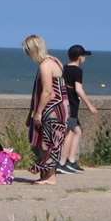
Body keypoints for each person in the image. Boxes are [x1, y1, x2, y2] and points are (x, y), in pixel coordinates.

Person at [23, 35, 68, 185]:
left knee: (45, 143)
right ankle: (47, 175)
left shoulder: (45, 66)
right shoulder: (56, 61)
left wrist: (38, 112)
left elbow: (48, 91)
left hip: (51, 109)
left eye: (28, 52)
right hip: (61, 108)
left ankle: (49, 177)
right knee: (53, 143)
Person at [59, 45, 99, 173]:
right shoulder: (77, 70)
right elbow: (78, 89)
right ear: (79, 57)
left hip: (64, 104)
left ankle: (71, 161)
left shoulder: (63, 68)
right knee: (70, 133)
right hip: (72, 106)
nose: (85, 58)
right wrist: (90, 105)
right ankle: (62, 163)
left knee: (77, 131)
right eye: (84, 56)